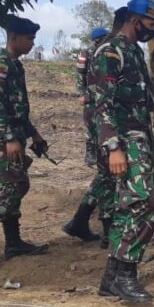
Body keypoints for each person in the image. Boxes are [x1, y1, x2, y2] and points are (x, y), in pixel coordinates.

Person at [90, 0, 154, 303]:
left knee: (130, 208)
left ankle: (111, 279)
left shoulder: (133, 51)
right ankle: (126, 277)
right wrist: (113, 147)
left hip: (140, 140)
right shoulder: (111, 51)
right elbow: (102, 103)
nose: (152, 30)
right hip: (124, 142)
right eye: (150, 24)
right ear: (134, 21)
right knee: (143, 205)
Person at [0, 16, 49, 263]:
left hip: (16, 133)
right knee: (16, 185)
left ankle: (13, 242)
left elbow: (18, 108)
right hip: (2, 137)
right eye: (29, 39)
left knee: (14, 183)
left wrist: (33, 134)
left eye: (33, 39)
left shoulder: (16, 66)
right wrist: (8, 138)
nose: (32, 44)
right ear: (13, 38)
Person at [62, 24, 114, 244]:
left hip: (100, 111)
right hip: (97, 111)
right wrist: (84, 94)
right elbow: (79, 78)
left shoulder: (108, 52)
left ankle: (80, 221)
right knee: (107, 173)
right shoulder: (91, 54)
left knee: (105, 174)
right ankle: (106, 229)